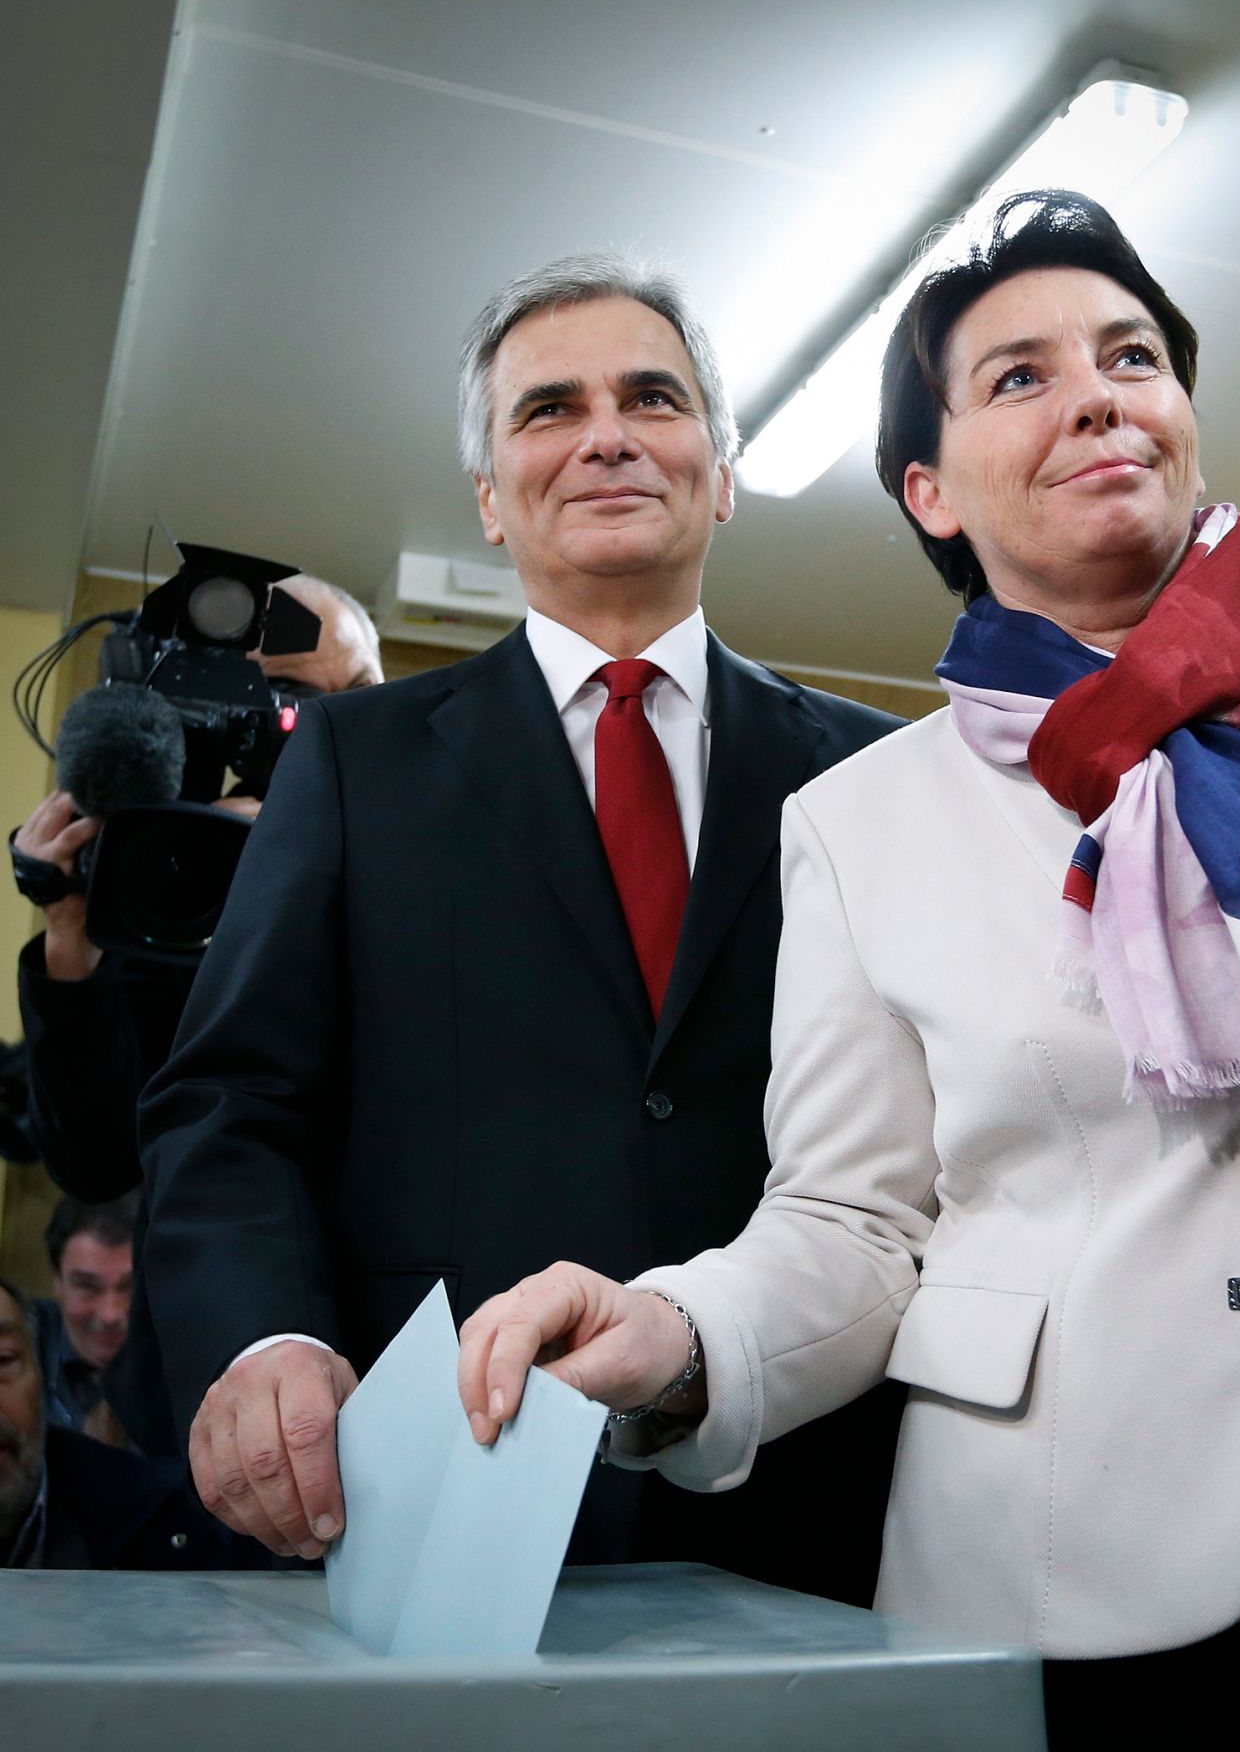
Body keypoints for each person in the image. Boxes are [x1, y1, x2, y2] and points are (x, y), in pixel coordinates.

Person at [455, 193, 1240, 1739]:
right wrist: (681, 1335)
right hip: (1075, 1578)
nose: (1098, 392)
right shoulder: (859, 819)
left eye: (1129, 356)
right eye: (1018, 376)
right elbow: (850, 1220)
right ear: (928, 490)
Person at [139, 255, 902, 1596]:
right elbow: (230, 1102)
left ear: (719, 472)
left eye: (651, 398)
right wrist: (263, 1342)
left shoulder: (876, 776)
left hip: (813, 1487)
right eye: (548, 409)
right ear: (490, 500)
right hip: (440, 1484)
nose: (605, 432)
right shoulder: (354, 763)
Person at [14, 575, 384, 1454]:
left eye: (362, 694)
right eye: (293, 698)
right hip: (188, 1399)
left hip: (390, 1373)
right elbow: (95, 1159)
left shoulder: (419, 850)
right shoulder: (173, 874)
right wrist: (74, 931)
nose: (332, 729)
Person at [1, 1276, 262, 1569]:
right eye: (88, 1287)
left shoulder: (162, 1518)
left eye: (3, 1360)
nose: (111, 1314)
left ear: (40, 1372)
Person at [31, 1194, 135, 1440]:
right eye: (87, 1287)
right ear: (57, 1283)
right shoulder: (20, 1348)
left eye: (130, 1286)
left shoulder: (190, 1358)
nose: (111, 1314)